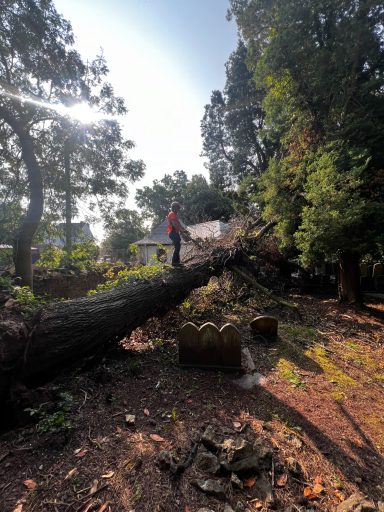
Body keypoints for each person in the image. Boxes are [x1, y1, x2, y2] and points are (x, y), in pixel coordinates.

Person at [167, 201, 190, 266]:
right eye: (178, 208)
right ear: (174, 208)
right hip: (172, 232)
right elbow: (175, 224)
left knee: (178, 246)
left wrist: (185, 230)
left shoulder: (175, 215)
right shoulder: (172, 214)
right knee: (177, 247)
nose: (178, 210)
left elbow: (179, 224)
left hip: (175, 232)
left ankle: (177, 262)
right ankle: (174, 263)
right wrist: (182, 231)